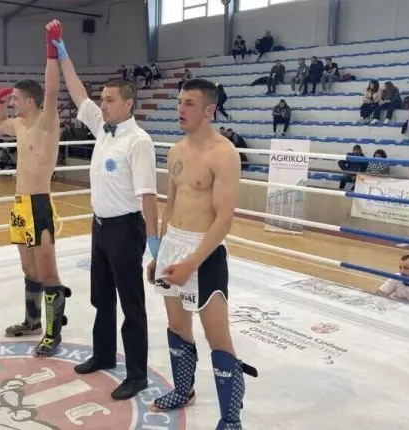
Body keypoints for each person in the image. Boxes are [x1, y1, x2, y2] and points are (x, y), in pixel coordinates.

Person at [51, 24, 159, 400]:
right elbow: (78, 92)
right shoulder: (102, 128)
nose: (104, 104)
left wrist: (154, 244)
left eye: (110, 100)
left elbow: (149, 196)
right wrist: (63, 54)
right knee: (102, 297)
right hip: (99, 226)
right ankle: (103, 354)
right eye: (103, 99)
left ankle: (137, 374)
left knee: (132, 303)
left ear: (128, 104)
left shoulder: (138, 142)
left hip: (126, 229)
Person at [147, 78, 246, 428]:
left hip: (205, 251)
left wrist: (191, 262)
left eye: (189, 103)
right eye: (179, 102)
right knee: (177, 326)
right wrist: (160, 252)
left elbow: (224, 219)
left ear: (209, 110)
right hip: (174, 244)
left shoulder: (224, 154)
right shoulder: (176, 151)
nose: (180, 109)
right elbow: (170, 205)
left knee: (218, 337)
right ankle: (183, 390)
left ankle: (231, 419)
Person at [0, 19, 69, 358]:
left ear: (30, 101)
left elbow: (51, 91)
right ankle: (33, 320)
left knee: (48, 270)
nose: (11, 102)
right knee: (28, 268)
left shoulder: (46, 123)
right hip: (19, 204)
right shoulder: (20, 125)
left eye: (14, 98)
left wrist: (51, 50)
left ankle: (53, 332)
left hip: (39, 203)